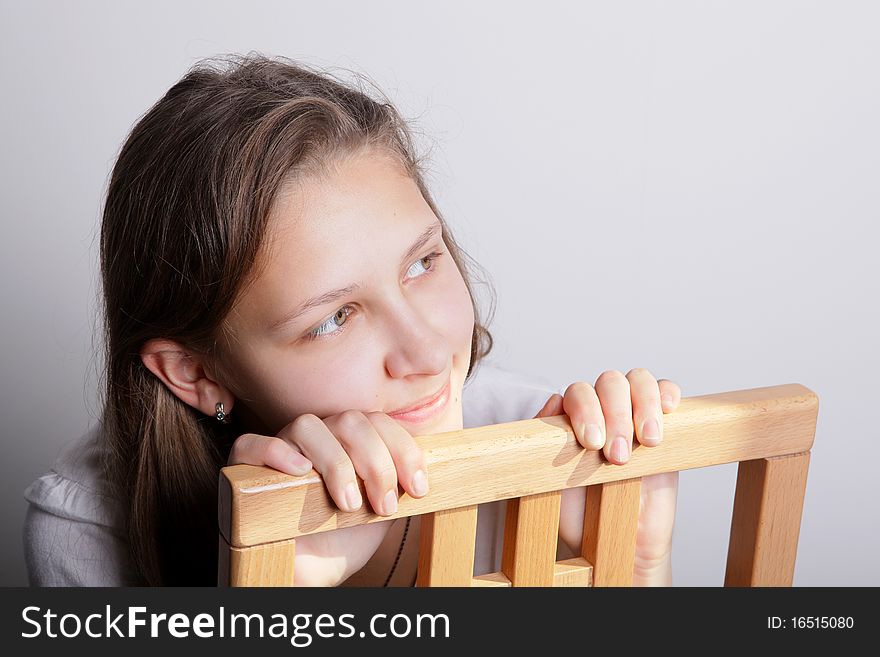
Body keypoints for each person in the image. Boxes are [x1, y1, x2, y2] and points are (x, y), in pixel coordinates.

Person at [23, 54, 681, 587]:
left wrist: (633, 571)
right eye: (337, 316)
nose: (426, 351)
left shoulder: (544, 442)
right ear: (195, 373)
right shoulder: (88, 527)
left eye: (423, 262)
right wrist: (276, 597)